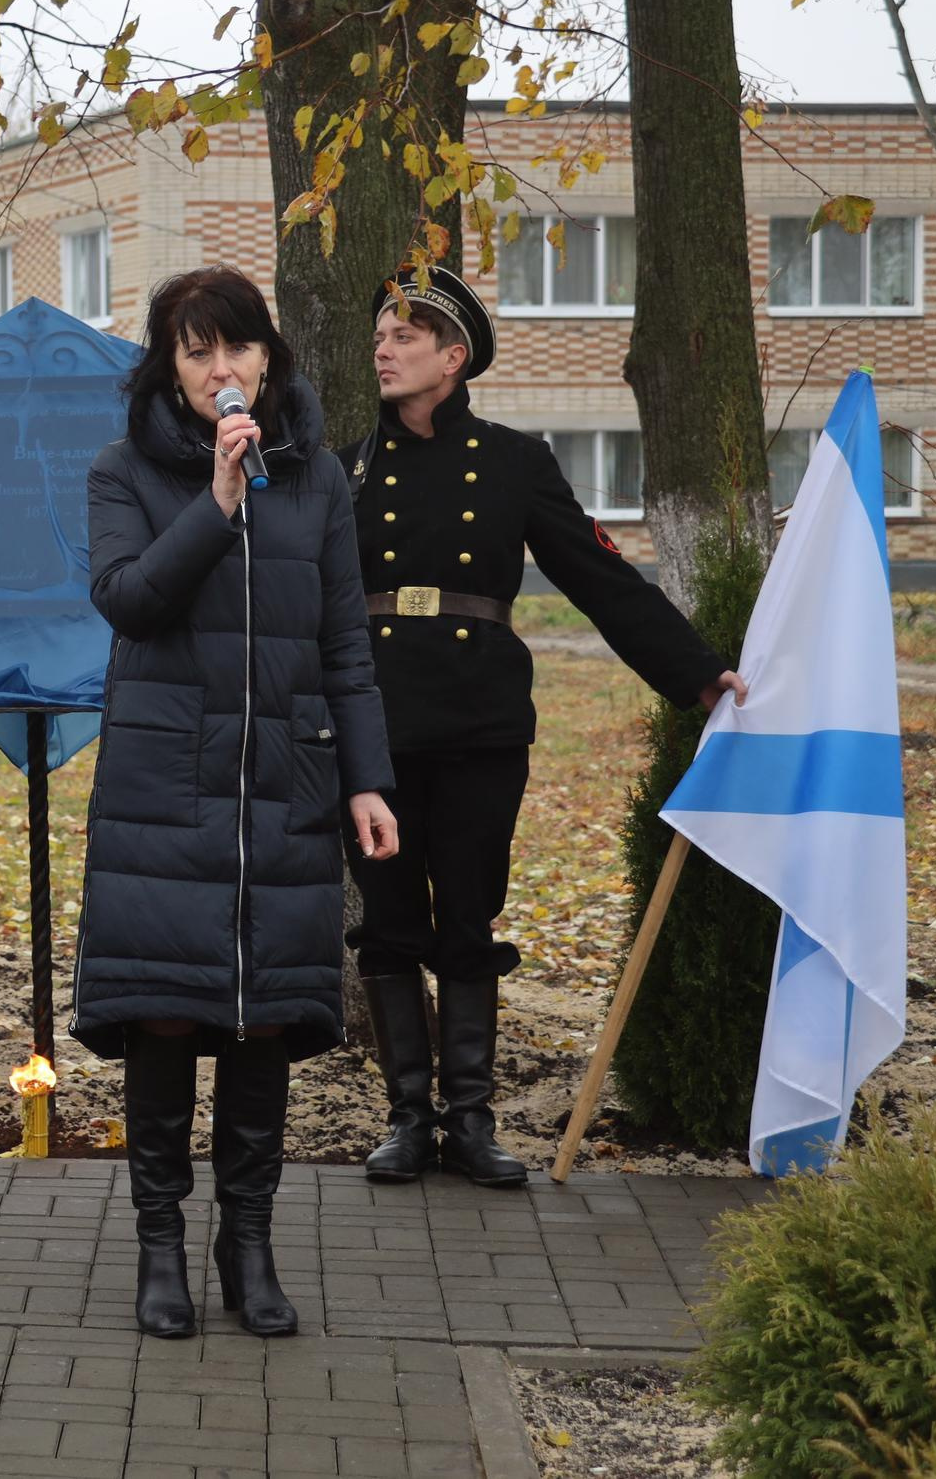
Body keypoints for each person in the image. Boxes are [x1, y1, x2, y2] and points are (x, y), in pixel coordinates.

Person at [342, 264, 748, 1190]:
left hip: (482, 722)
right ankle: (409, 1119)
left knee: (470, 916)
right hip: (377, 724)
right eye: (382, 333)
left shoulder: (516, 460)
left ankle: (471, 1120)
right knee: (392, 920)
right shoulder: (347, 470)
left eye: (406, 334)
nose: (386, 346)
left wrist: (694, 673)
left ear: (454, 356)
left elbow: (599, 575)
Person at [75, 266, 400, 1340]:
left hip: (285, 788)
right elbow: (128, 600)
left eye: (237, 348)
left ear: (268, 356)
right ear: (169, 372)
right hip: (165, 792)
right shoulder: (123, 472)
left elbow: (345, 644)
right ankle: (159, 1246)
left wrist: (366, 779)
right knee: (165, 1015)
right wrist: (214, 505)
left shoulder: (317, 481)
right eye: (197, 351)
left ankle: (246, 1243)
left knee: (265, 1022)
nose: (222, 369)